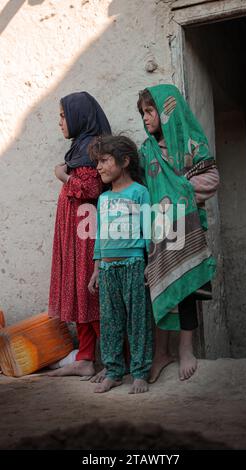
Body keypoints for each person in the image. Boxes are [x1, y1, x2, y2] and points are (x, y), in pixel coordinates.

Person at [137, 84, 219, 382]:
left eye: (150, 111)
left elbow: (211, 178)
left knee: (187, 291)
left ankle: (186, 349)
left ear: (167, 109)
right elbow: (143, 190)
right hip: (158, 231)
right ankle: (161, 352)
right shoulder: (146, 151)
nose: (146, 118)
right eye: (142, 113)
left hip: (187, 228)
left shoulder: (189, 143)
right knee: (159, 288)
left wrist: (179, 189)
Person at [48, 91, 111, 377]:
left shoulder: (92, 148)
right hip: (74, 235)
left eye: (63, 116)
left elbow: (90, 190)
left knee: (91, 293)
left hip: (87, 233)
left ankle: (112, 362)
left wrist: (63, 176)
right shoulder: (79, 147)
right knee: (79, 292)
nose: (60, 122)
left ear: (79, 116)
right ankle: (85, 358)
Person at [88, 135, 153, 394]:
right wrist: (96, 269)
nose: (99, 167)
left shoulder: (140, 192)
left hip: (134, 265)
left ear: (124, 161)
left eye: (104, 161)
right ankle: (114, 372)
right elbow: (100, 236)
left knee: (138, 321)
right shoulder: (103, 200)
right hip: (107, 269)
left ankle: (140, 373)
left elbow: (148, 230)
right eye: (98, 162)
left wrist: (150, 262)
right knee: (110, 322)